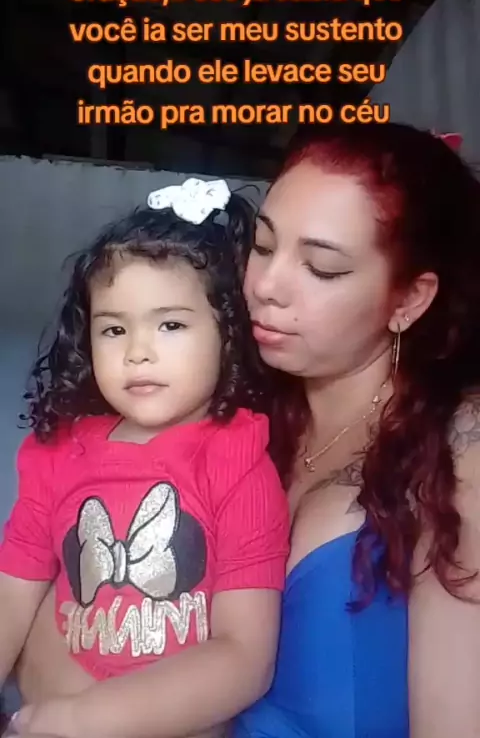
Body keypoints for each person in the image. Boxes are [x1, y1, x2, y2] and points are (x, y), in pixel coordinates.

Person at [8, 122, 480, 738]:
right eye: (262, 245)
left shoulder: (459, 450)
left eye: (321, 268)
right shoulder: (210, 405)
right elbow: (62, 623)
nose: (265, 286)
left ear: (408, 300)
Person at [0, 178, 289, 738]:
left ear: (228, 334)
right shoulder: (56, 452)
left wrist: (87, 719)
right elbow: (12, 593)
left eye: (171, 324)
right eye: (113, 328)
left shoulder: (239, 459)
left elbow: (243, 655)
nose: (137, 351)